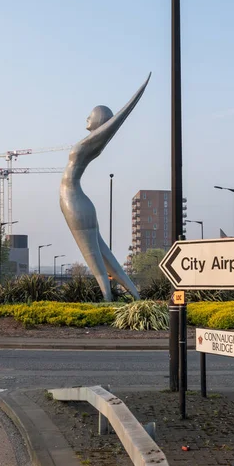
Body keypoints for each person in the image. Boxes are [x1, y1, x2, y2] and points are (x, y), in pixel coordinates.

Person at [60, 74, 151, 301]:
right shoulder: (88, 145)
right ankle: (136, 297)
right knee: (104, 256)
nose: (86, 119)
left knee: (96, 260)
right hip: (76, 201)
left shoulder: (88, 143)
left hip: (75, 202)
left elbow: (115, 122)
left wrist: (131, 101)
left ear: (99, 122)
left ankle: (108, 300)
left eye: (90, 116)